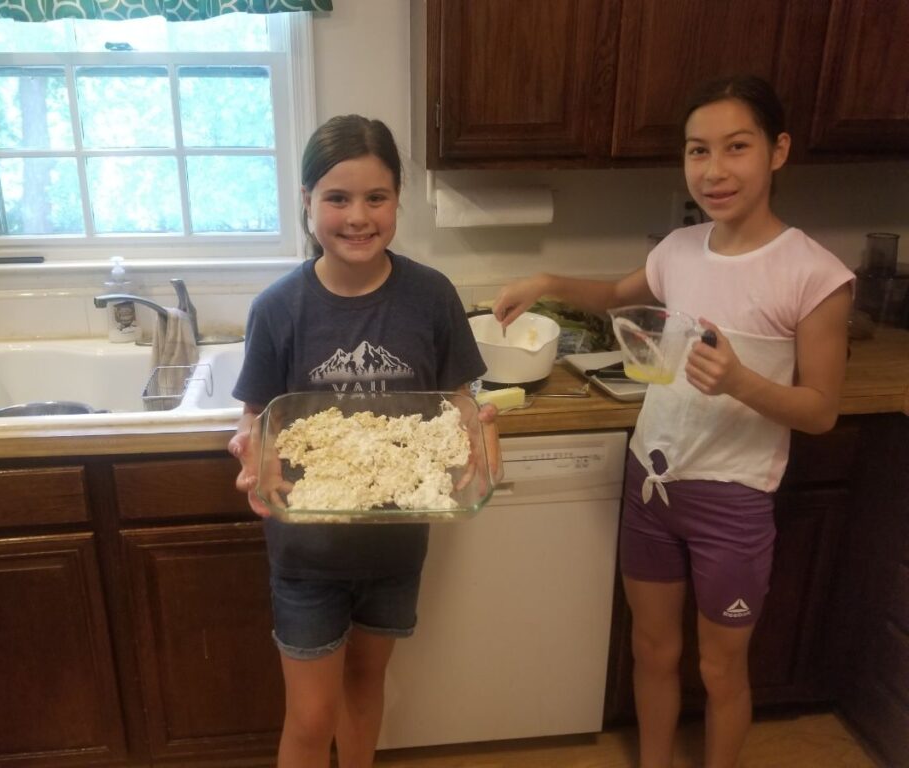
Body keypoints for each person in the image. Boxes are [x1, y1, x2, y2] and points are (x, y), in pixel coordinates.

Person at [493, 75, 853, 768]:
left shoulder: (814, 274)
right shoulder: (680, 249)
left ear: (778, 151)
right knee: (652, 650)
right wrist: (547, 282)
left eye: (736, 147)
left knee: (721, 669)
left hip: (734, 500)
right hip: (652, 485)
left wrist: (741, 381)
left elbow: (821, 410)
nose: (713, 170)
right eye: (697, 150)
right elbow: (616, 294)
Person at [228, 114, 499, 768]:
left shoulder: (431, 297)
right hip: (308, 553)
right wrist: (251, 454)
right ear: (307, 201)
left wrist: (482, 441)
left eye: (376, 197)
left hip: (396, 545)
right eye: (337, 198)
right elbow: (256, 418)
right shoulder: (278, 309)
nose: (357, 217)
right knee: (310, 715)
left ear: (398, 199)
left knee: (366, 683)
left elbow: (460, 406)